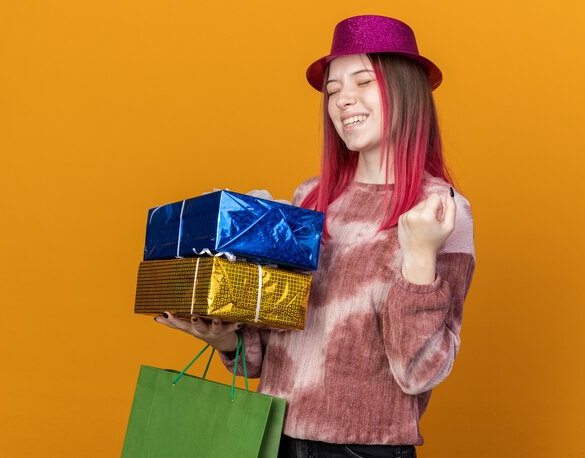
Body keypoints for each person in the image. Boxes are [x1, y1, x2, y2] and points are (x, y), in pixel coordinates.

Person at [155, 15, 475, 458]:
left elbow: (417, 373)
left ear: (408, 91)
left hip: (361, 449)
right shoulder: (309, 199)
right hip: (273, 436)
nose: (345, 100)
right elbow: (282, 348)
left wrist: (419, 259)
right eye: (333, 90)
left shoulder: (440, 212)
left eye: (363, 81)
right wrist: (227, 340)